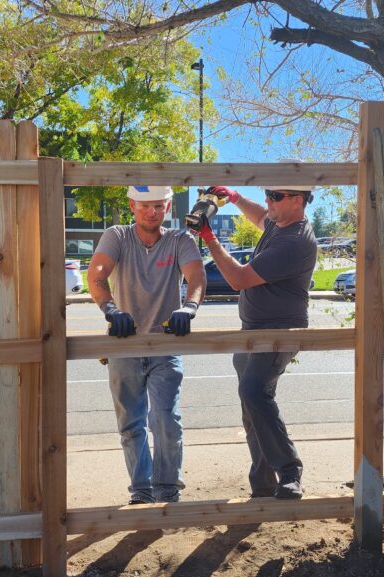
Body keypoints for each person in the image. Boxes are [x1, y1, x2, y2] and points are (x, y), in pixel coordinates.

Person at [194, 174, 317, 499]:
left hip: (279, 331)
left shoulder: (295, 242)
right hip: (251, 330)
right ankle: (263, 484)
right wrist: (233, 196)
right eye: (267, 194)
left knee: (255, 392)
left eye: (275, 195)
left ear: (298, 199)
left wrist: (209, 237)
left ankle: (290, 471)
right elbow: (260, 217)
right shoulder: (279, 225)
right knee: (251, 408)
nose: (268, 201)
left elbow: (238, 279)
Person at [87, 185, 207, 505]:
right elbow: (97, 275)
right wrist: (110, 310)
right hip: (125, 345)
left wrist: (188, 308)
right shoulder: (117, 236)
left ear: (168, 206)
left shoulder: (179, 239)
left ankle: (166, 489)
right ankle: (141, 489)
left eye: (158, 205)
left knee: (165, 419)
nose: (151, 212)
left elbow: (195, 278)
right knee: (131, 423)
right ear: (132, 205)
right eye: (144, 206)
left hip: (165, 344)